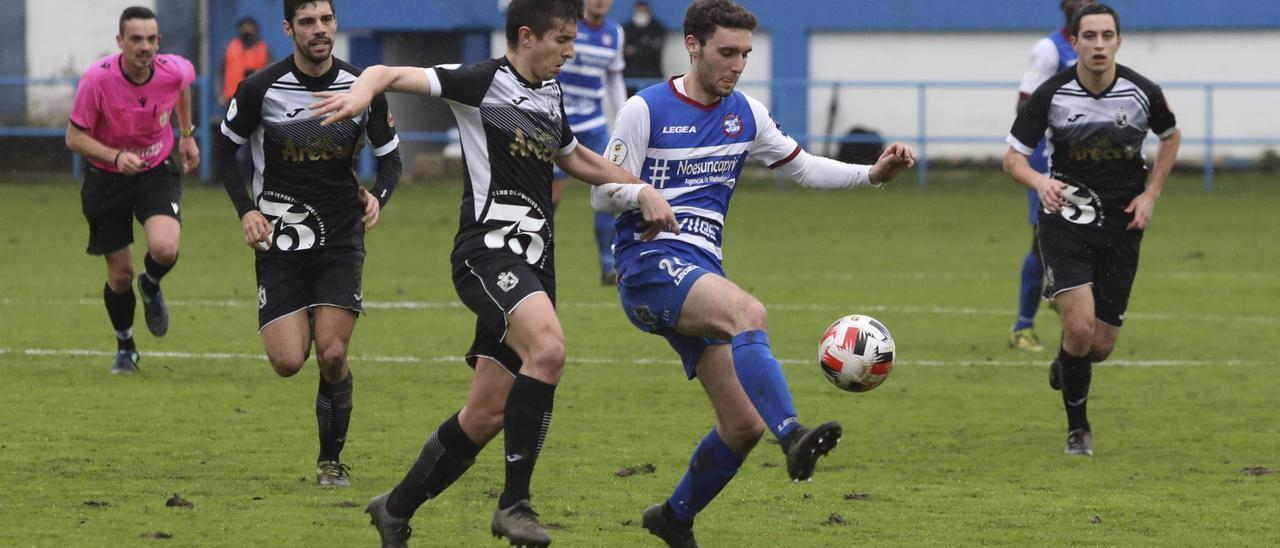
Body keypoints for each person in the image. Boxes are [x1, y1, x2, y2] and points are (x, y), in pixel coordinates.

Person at [308, 0, 677, 545]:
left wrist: (640, 189)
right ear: (527, 36)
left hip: (536, 262)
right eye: (562, 40)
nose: (571, 52)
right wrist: (364, 90)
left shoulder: (550, 93)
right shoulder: (481, 80)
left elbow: (573, 157)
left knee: (485, 414)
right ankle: (515, 505)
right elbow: (386, 72)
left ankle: (395, 507)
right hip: (487, 254)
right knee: (548, 350)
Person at [589, 1, 915, 545]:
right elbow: (601, 192)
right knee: (749, 312)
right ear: (693, 46)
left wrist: (874, 174)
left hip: (699, 271)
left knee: (741, 424)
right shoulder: (644, 109)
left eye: (744, 54)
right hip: (647, 265)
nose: (737, 65)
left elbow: (805, 168)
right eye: (726, 52)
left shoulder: (746, 113)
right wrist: (641, 191)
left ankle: (673, 518)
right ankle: (793, 437)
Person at [210, 0, 402, 487]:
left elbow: (391, 159)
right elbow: (224, 149)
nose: (319, 30)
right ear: (288, 29)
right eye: (308, 22)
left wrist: (378, 196)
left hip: (340, 235)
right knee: (288, 361)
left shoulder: (363, 87)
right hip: (280, 239)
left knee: (332, 353)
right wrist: (246, 210)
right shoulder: (260, 88)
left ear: (335, 24)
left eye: (326, 20)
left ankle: (330, 460)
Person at [1004, 2, 1180, 457]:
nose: (1099, 45)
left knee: (1098, 347)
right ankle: (1077, 429)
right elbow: (1012, 158)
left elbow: (1171, 135)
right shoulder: (1051, 94)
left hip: (1123, 223)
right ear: (1075, 42)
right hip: (1067, 218)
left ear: (1118, 41)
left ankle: (1068, 362)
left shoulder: (1143, 92)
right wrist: (1041, 181)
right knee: (1079, 328)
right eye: (1090, 37)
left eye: (1107, 36)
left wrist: (1151, 195)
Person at [65, 6, 199, 375]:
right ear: (120, 41)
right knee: (120, 274)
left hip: (155, 169)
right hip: (106, 178)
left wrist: (186, 136)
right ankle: (126, 347)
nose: (145, 47)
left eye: (151, 39)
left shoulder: (174, 69)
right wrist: (115, 155)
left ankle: (152, 284)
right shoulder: (97, 80)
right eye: (136, 39)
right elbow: (74, 137)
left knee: (165, 247)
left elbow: (181, 87)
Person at [1007, 0, 1095, 353]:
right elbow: (1024, 106)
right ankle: (1022, 327)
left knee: (1094, 240)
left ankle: (1063, 295)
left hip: (1091, 165)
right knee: (1042, 243)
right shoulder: (1049, 50)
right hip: (1049, 164)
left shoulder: (1097, 48)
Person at [551, 0, 627, 285]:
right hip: (560, 122)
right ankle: (530, 252)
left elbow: (614, 78)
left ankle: (609, 267)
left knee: (610, 190)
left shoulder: (615, 34)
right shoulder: (567, 26)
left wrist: (623, 116)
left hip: (595, 125)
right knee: (551, 195)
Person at [221, 16, 270, 106]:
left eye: (249, 26)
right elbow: (221, 71)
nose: (246, 29)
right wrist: (221, 93)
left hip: (257, 95)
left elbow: (272, 72)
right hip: (233, 96)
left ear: (255, 29)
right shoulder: (230, 47)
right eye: (244, 26)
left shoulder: (263, 48)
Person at [622, 1, 666, 96]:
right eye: (638, 11)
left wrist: (636, 50)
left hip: (652, 76)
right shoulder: (627, 28)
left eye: (643, 11)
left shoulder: (657, 28)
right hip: (630, 77)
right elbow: (623, 51)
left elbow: (654, 51)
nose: (641, 14)